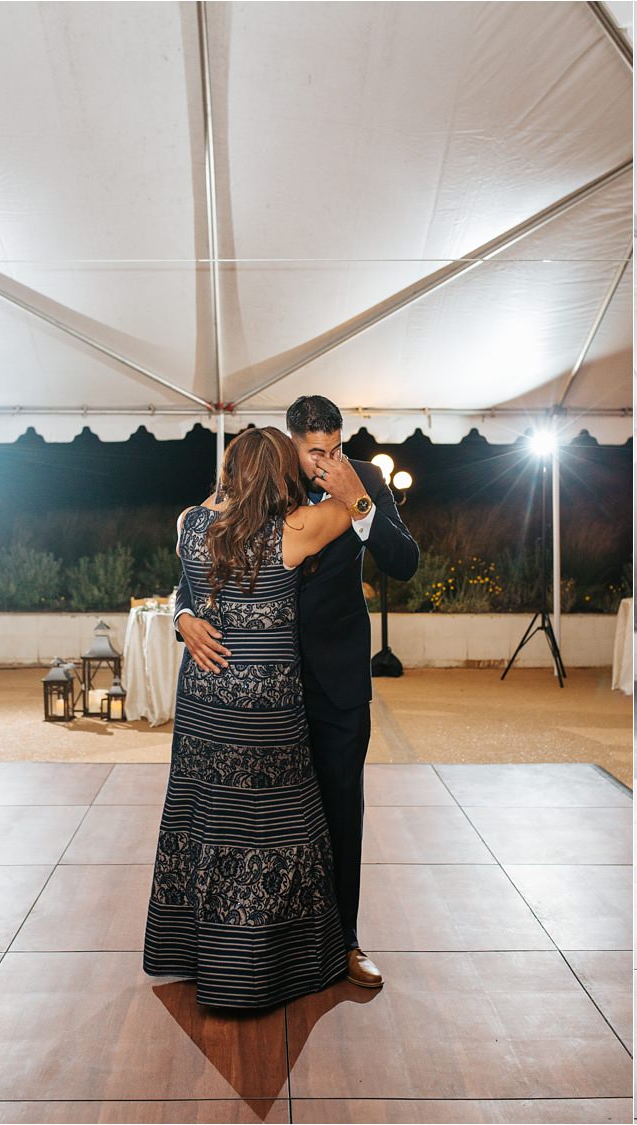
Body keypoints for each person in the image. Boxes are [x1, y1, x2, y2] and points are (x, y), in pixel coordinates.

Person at [176, 396, 419, 990]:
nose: (326, 461)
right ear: (290, 443)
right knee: (270, 826)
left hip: (334, 684)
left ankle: (346, 943)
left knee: (340, 816)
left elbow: (405, 561)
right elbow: (195, 566)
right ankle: (278, 947)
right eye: (316, 452)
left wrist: (356, 499)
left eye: (335, 449)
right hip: (262, 692)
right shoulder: (259, 477)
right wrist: (181, 615)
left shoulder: (359, 482)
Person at [143, 427, 369, 1007]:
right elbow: (353, 507)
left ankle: (199, 958)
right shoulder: (292, 532)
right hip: (265, 706)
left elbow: (184, 584)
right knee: (273, 827)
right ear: (278, 472)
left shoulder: (189, 522)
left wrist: (183, 612)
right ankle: (264, 966)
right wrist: (339, 473)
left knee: (206, 820)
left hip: (202, 699)